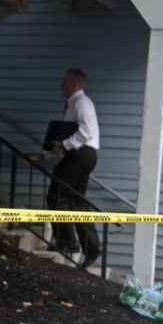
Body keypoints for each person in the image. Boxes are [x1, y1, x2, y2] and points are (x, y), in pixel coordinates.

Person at [30, 69, 101, 269]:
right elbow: (68, 140)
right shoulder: (74, 104)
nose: (61, 85)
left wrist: (63, 146)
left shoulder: (81, 103)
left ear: (75, 85)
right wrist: (47, 154)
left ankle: (67, 243)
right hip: (81, 155)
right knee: (76, 203)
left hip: (81, 155)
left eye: (65, 82)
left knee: (56, 196)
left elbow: (86, 133)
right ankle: (91, 248)